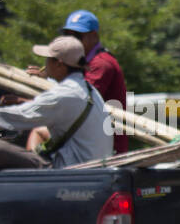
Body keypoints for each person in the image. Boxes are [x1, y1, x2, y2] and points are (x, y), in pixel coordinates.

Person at [0, 36, 111, 169]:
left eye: (48, 59)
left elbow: (16, 117)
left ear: (59, 64)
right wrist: (24, 101)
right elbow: (51, 106)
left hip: (71, 169)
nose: (45, 63)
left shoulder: (64, 94)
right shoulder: (87, 89)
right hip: (89, 165)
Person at [28, 9, 128, 154]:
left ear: (94, 36)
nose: (71, 40)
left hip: (107, 145)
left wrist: (26, 99)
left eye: (77, 36)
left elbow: (78, 100)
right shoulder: (83, 61)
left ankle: (34, 166)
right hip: (89, 135)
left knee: (38, 132)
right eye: (67, 35)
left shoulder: (101, 64)